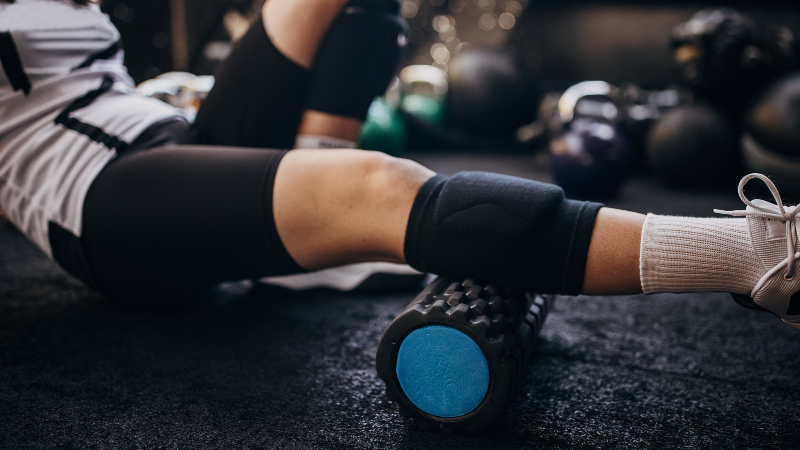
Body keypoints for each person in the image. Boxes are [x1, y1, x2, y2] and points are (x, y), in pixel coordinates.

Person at [0, 0, 797, 331]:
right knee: (378, 188)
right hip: (100, 201)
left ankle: (296, 224)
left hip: (166, 129)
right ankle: (760, 260)